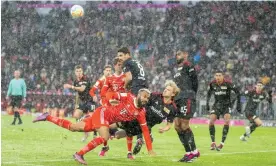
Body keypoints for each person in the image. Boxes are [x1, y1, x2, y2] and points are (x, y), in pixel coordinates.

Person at [33, 89, 155, 165]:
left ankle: (47, 117)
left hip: (104, 119)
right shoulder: (128, 97)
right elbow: (110, 94)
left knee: (73, 127)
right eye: (144, 96)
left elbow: (144, 130)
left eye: (147, 98)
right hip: (102, 113)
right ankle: (79, 154)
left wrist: (150, 149)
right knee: (105, 136)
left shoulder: (141, 113)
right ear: (139, 94)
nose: (145, 99)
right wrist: (107, 103)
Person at [105, 80, 179, 159]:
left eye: (168, 90)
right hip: (136, 117)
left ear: (173, 94)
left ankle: (114, 135)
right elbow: (141, 100)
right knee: (116, 124)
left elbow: (169, 124)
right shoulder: (155, 96)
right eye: (165, 88)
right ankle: (101, 126)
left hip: (146, 126)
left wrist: (164, 129)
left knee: (118, 135)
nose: (165, 90)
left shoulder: (172, 108)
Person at [117, 47, 149, 152]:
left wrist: (125, 87)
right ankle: (143, 135)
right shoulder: (135, 62)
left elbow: (129, 78)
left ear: (127, 54)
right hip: (144, 88)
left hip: (136, 88)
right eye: (118, 56)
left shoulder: (127, 63)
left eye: (121, 55)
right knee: (140, 113)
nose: (119, 58)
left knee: (133, 114)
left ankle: (139, 137)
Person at [173, 50, 200, 162]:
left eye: (179, 54)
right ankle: (188, 152)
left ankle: (193, 152)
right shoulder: (176, 71)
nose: (177, 56)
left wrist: (191, 94)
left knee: (184, 125)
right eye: (176, 55)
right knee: (177, 126)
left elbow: (195, 81)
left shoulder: (188, 65)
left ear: (185, 55)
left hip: (187, 98)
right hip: (178, 99)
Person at [206, 70, 241, 151]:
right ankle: (213, 142)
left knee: (227, 121)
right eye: (216, 75)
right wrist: (207, 104)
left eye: (219, 75)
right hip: (217, 105)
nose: (218, 77)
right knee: (211, 122)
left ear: (223, 76)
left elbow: (238, 92)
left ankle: (222, 143)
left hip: (226, 105)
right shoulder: (212, 84)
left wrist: (238, 104)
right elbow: (209, 93)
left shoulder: (228, 83)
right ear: (215, 76)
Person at [63, 65, 96, 141]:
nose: (79, 73)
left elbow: (82, 89)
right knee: (76, 115)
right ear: (75, 72)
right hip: (83, 102)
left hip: (90, 101)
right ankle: (86, 133)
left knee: (93, 118)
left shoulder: (85, 78)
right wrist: (76, 103)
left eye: (80, 71)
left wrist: (71, 86)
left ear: (82, 72)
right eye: (77, 71)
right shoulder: (75, 81)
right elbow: (78, 93)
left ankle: (95, 135)